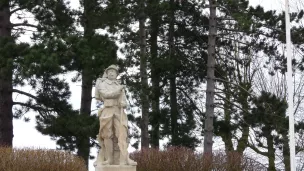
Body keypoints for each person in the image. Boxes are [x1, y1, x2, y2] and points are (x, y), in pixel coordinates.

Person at [94, 65, 136, 166]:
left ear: (117, 74)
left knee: (122, 134)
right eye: (109, 72)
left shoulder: (119, 85)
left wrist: (124, 103)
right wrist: (118, 90)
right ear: (106, 73)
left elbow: (123, 99)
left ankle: (125, 158)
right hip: (107, 111)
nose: (111, 73)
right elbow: (106, 95)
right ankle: (109, 159)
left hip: (118, 111)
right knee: (107, 135)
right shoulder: (102, 84)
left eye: (114, 72)